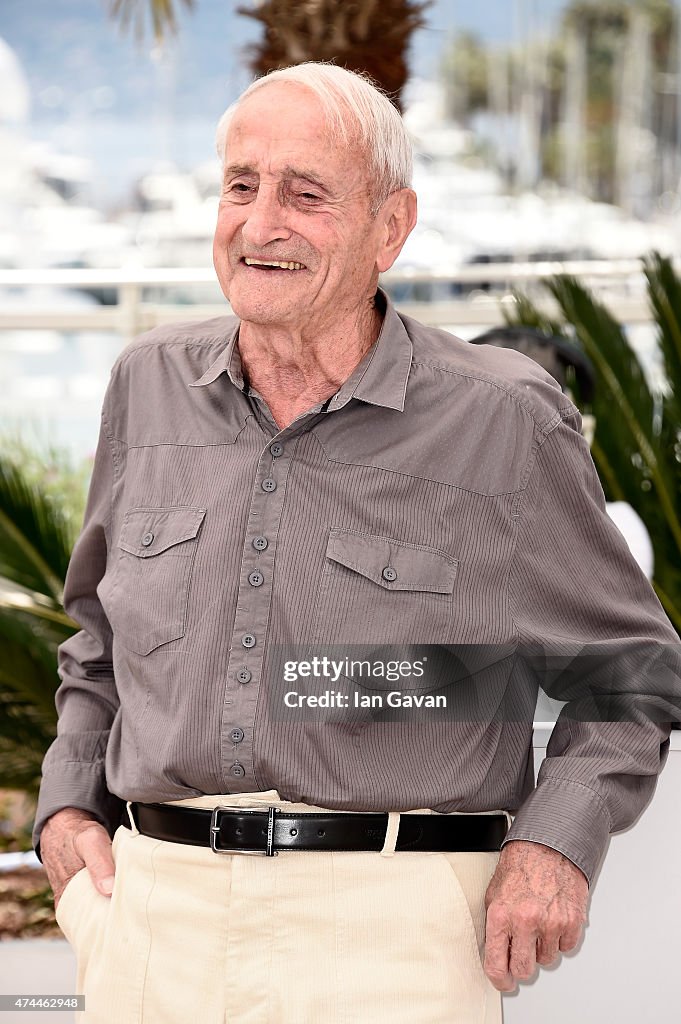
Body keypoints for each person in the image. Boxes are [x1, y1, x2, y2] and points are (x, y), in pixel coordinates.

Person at [34, 63, 680, 1024]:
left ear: (392, 227)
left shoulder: (502, 420)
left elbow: (632, 675)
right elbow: (97, 637)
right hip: (150, 921)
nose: (261, 225)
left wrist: (554, 844)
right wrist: (68, 807)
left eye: (306, 194)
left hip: (391, 944)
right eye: (242, 185)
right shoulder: (147, 383)